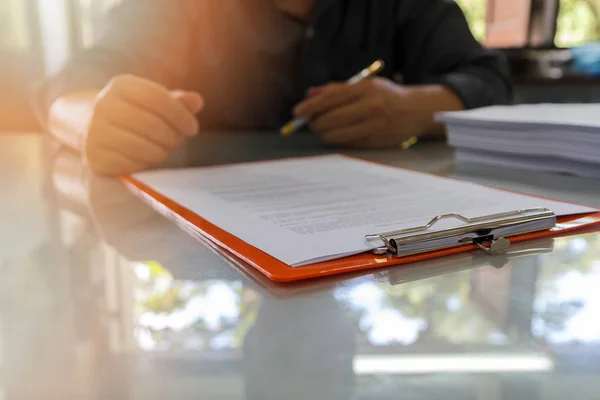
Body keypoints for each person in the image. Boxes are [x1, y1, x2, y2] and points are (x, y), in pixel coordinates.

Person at [39, 0, 512, 175]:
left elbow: (491, 80)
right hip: (209, 220)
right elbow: (67, 90)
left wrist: (417, 108)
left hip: (374, 220)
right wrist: (91, 119)